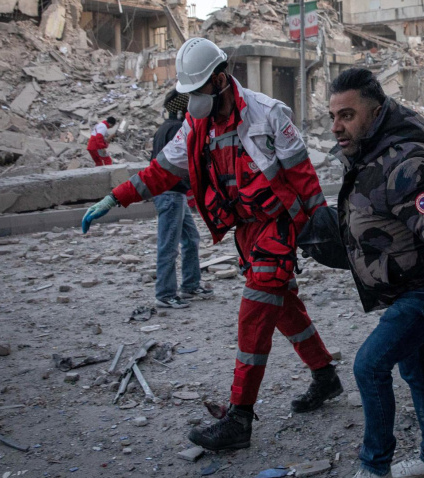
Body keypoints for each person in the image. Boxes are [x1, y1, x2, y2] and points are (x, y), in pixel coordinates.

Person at [80, 37, 342, 451]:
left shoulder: (269, 114)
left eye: (197, 91)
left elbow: (304, 178)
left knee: (254, 313)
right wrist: (115, 198)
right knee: (283, 308)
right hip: (247, 232)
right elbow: (160, 172)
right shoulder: (194, 126)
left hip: (279, 226)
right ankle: (326, 376)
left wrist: (320, 230)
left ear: (220, 80)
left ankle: (239, 419)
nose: (192, 100)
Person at [328, 68, 424, 478]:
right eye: (333, 116)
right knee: (414, 366)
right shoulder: (369, 155)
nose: (337, 126)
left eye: (348, 115)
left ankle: (375, 469)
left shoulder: (407, 163)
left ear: (375, 114)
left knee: (369, 365)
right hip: (406, 287)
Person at [151, 90, 213, 309]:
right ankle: (165, 294)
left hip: (172, 194)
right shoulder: (177, 129)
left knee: (190, 239)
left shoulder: (163, 129)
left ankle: (190, 284)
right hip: (170, 195)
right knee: (169, 246)